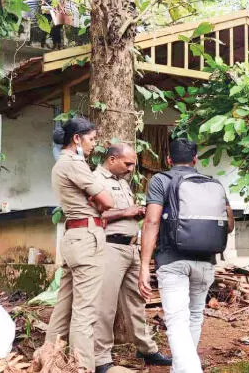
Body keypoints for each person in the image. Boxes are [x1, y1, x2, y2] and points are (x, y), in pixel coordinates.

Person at [139, 138, 235, 373]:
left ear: (168, 159)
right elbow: (229, 224)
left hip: (172, 260)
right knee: (194, 317)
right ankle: (180, 370)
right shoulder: (213, 183)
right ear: (195, 160)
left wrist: (143, 265)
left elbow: (151, 221)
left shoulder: (161, 180)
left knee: (176, 321)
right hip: (205, 262)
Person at [93, 143, 172, 373]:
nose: (130, 168)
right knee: (105, 305)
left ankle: (146, 349)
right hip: (109, 247)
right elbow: (93, 215)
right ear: (112, 159)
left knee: (138, 300)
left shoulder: (122, 183)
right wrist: (127, 212)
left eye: (132, 164)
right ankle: (101, 358)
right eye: (127, 163)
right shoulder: (95, 180)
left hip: (130, 248)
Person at [44, 116, 115, 372]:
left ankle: (50, 360)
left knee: (63, 306)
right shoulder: (75, 163)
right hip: (87, 237)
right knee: (85, 311)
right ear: (77, 138)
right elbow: (108, 201)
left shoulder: (61, 164)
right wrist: (97, 199)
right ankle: (83, 367)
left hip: (74, 237)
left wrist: (94, 198)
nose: (94, 145)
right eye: (92, 139)